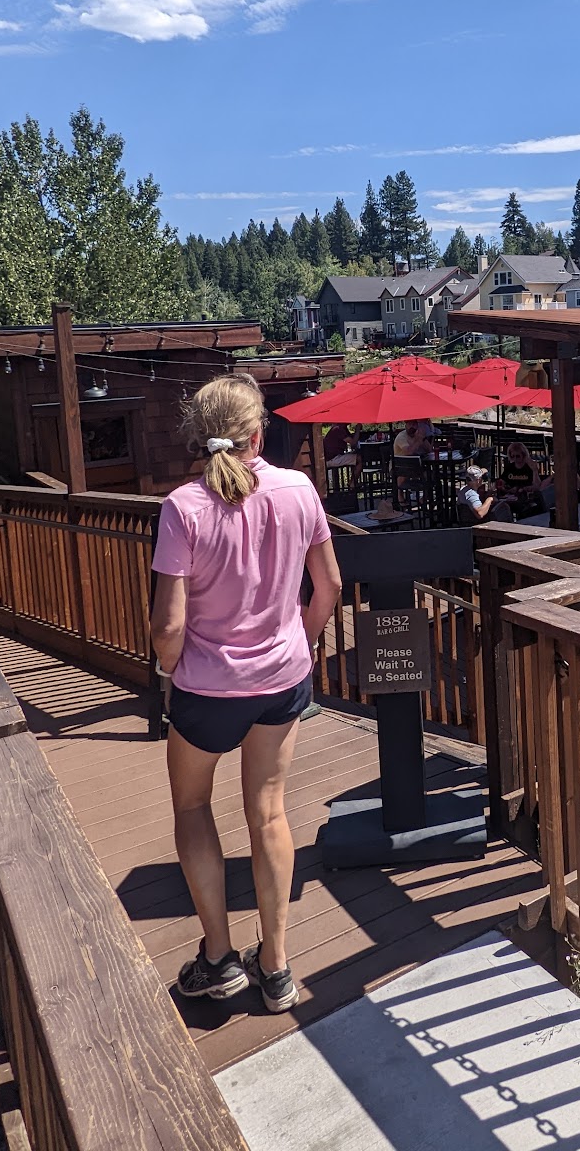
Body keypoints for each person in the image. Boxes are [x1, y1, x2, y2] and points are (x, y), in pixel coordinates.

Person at [151, 374, 343, 1013]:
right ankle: (277, 966)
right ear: (259, 434)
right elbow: (328, 587)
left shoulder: (183, 507)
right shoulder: (299, 489)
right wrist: (300, 644)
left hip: (207, 689)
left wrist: (168, 675)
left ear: (197, 437)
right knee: (269, 813)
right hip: (282, 682)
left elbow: (169, 627)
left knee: (192, 808)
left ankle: (217, 958)